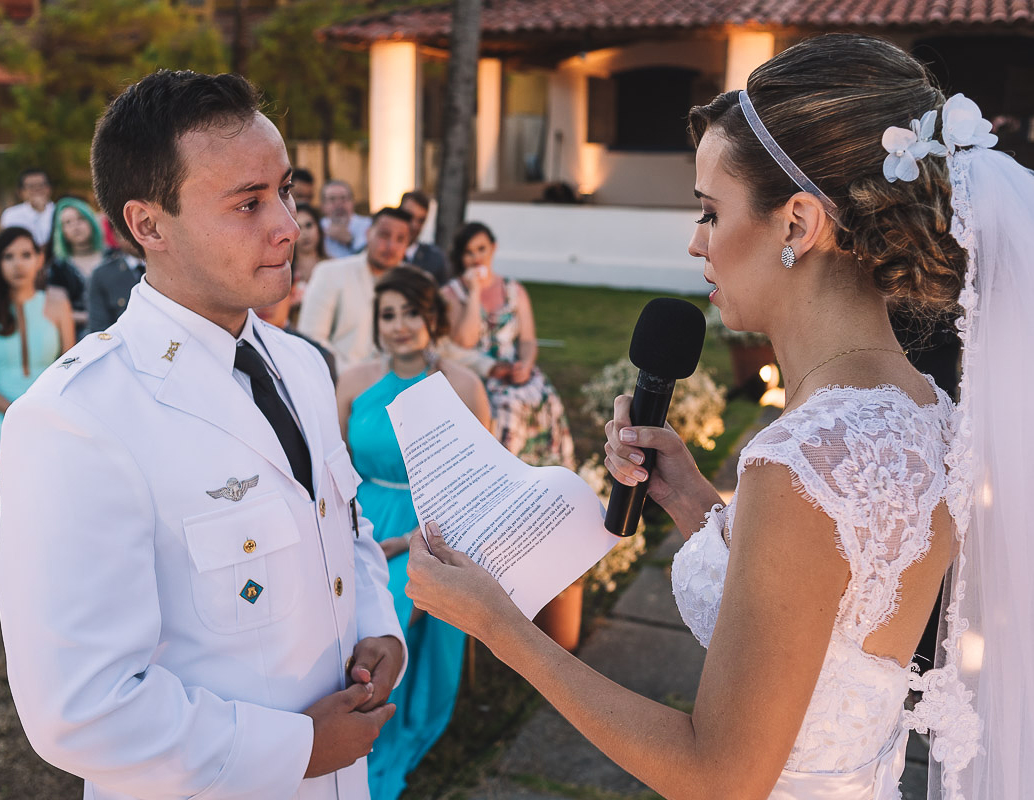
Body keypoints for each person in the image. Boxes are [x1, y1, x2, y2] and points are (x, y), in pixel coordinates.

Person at [407, 34, 1032, 799]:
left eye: (709, 211)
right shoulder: (921, 408)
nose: (696, 241)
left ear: (797, 224)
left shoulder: (801, 460)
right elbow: (833, 618)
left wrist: (503, 629)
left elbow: (719, 775)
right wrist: (689, 499)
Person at [0, 69, 405, 800]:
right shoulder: (78, 419)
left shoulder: (303, 365)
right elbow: (81, 709)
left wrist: (377, 627)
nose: (287, 223)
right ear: (148, 224)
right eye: (248, 203)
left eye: (285, 190)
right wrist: (299, 748)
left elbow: (341, 524)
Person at [336, 266, 489, 800]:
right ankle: (348, 723)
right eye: (388, 314)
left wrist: (405, 543)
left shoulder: (463, 386)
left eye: (411, 313)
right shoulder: (354, 382)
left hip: (437, 530)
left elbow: (481, 482)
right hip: (364, 519)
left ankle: (392, 724)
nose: (399, 326)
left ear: (432, 318)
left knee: (405, 601)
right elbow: (332, 471)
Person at [442, 222, 574, 467]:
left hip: (512, 370)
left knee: (547, 399)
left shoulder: (514, 290)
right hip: (475, 372)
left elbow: (527, 340)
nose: (476, 258)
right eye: (469, 252)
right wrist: (474, 293)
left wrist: (525, 364)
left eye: (481, 249)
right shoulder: (451, 294)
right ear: (461, 256)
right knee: (507, 408)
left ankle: (546, 470)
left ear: (493, 248)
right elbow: (465, 341)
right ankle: (504, 472)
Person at [0, 227, 73, 457]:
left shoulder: (58, 302)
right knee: (29, 448)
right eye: (8, 256)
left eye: (26, 255)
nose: (18, 264)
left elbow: (70, 372)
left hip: (51, 413)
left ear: (39, 259)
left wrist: (48, 415)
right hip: (2, 417)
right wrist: (20, 415)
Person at [297, 207, 412, 374]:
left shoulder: (415, 283)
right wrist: (358, 378)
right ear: (368, 233)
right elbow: (311, 339)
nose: (390, 246)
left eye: (400, 239)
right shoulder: (330, 273)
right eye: (384, 235)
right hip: (342, 384)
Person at [47, 197, 107, 336]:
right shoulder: (58, 268)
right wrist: (90, 317)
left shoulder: (112, 258)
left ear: (91, 221)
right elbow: (55, 309)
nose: (75, 226)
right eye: (67, 223)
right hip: (78, 336)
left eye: (80, 219)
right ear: (62, 231)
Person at [85, 237, 145, 333]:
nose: (135, 236)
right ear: (116, 235)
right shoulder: (103, 274)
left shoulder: (169, 266)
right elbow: (100, 329)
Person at [399, 190, 449, 285]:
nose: (414, 225)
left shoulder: (435, 258)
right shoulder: (382, 252)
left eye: (421, 220)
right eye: (409, 216)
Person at [0, 168, 55, 246]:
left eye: (41, 185)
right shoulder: (11, 214)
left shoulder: (61, 211)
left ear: (49, 188)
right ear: (21, 192)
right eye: (31, 186)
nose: (37, 189)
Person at [320, 179, 372, 258]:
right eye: (332, 199)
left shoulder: (368, 225)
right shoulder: (317, 227)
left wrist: (350, 241)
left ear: (353, 202)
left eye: (343, 198)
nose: (338, 204)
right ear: (323, 206)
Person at [290, 202, 327, 304]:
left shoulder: (333, 265)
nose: (305, 233)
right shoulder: (284, 270)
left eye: (309, 225)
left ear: (319, 229)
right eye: (298, 227)